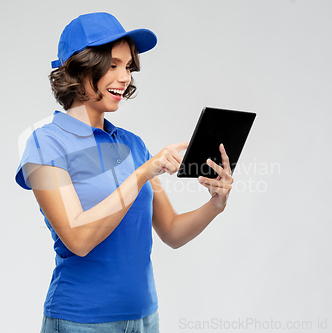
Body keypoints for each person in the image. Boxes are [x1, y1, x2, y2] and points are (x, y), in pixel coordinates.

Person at [15, 12, 234, 333]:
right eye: (113, 65)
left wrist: (215, 204)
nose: (126, 77)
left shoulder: (133, 144)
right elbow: (78, 238)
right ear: (81, 67)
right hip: (82, 322)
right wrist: (143, 173)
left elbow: (171, 231)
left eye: (128, 67)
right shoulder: (45, 143)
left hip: (144, 318)